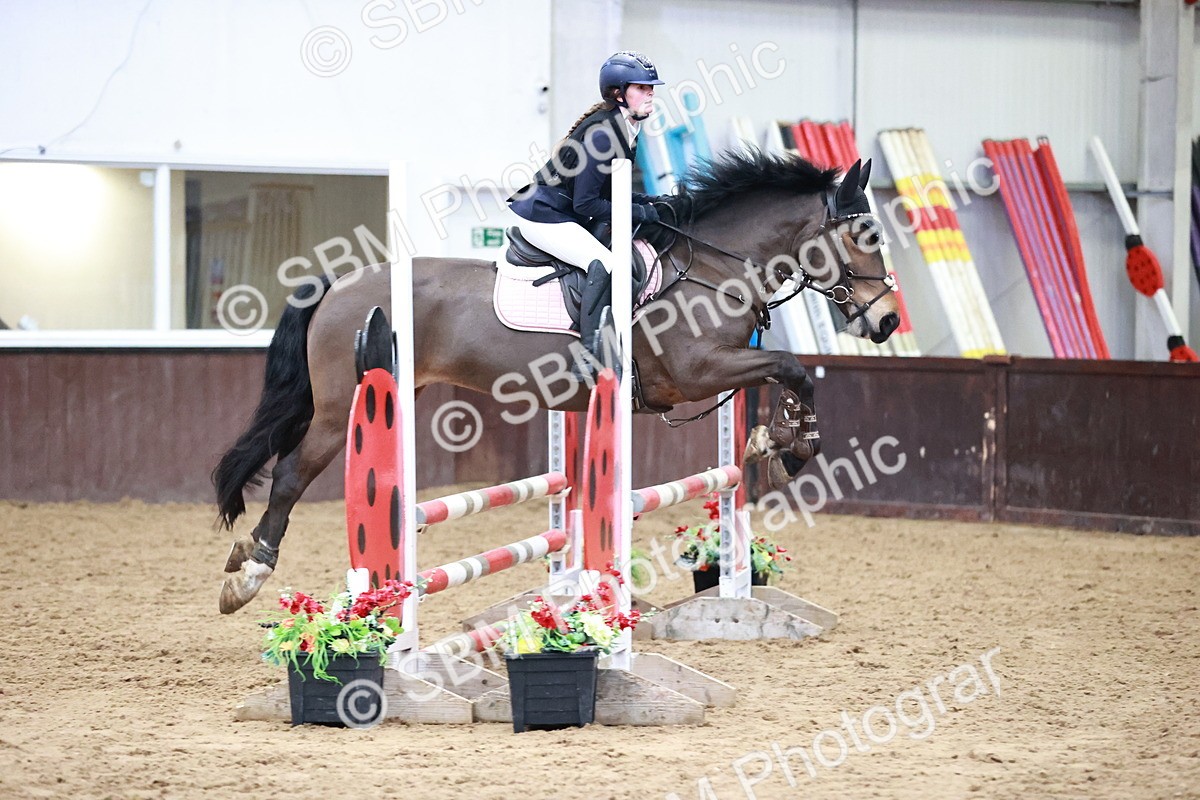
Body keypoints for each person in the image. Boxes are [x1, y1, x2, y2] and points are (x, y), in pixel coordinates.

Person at [509, 50, 668, 379]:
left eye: (651, 88)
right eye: (642, 87)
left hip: (563, 210)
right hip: (544, 213)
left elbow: (611, 191)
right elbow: (586, 205)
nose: (650, 93)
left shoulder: (624, 129)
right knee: (607, 265)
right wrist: (640, 211)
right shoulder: (603, 134)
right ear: (617, 93)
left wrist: (656, 203)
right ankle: (589, 355)